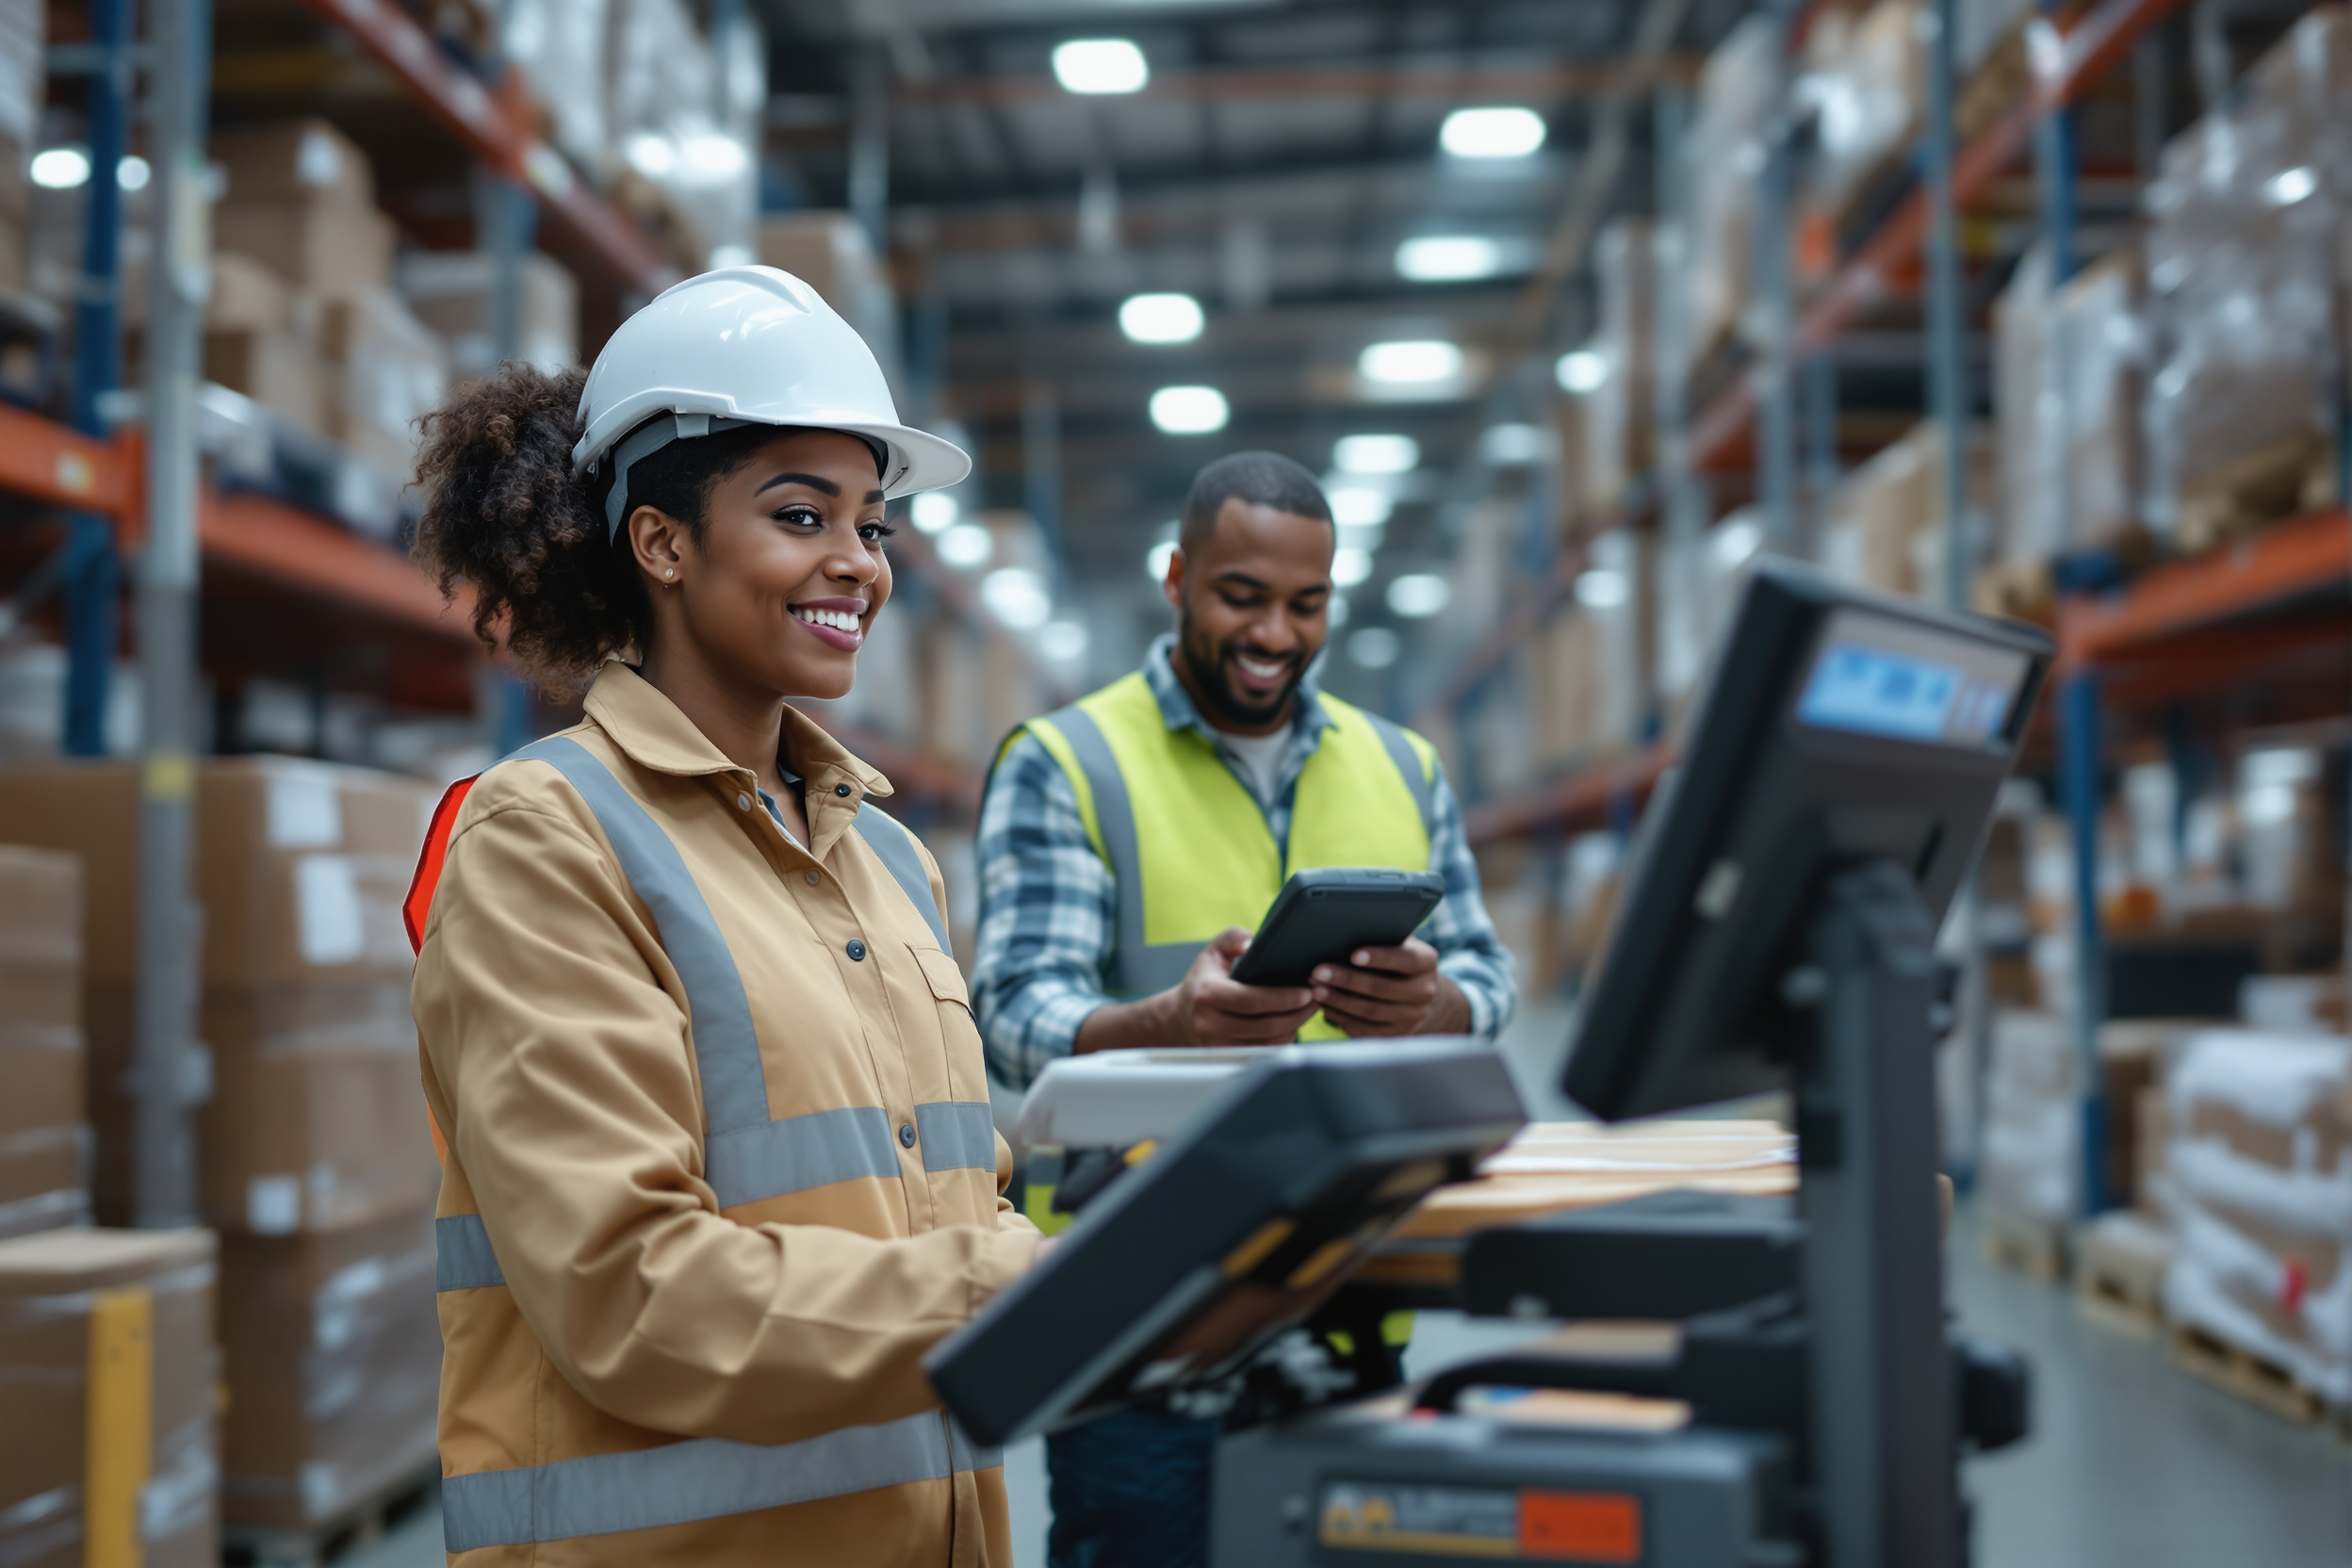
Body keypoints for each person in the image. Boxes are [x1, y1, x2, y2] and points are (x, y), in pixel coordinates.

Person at [404, 266, 1041, 1567]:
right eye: (802, 515)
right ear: (663, 543)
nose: (856, 564)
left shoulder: (889, 859)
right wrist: (1028, 1288)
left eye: (874, 526)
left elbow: (949, 1198)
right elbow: (629, 1292)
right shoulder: (550, 838)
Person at [969, 449, 1518, 1568]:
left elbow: (1490, 979)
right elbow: (1014, 1009)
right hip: (1141, 1316)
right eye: (1242, 596)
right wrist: (1166, 1022)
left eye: (1306, 604)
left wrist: (1437, 1005)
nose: (1275, 632)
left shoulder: (1404, 764)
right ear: (1178, 579)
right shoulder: (1067, 762)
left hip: (1353, 1288)